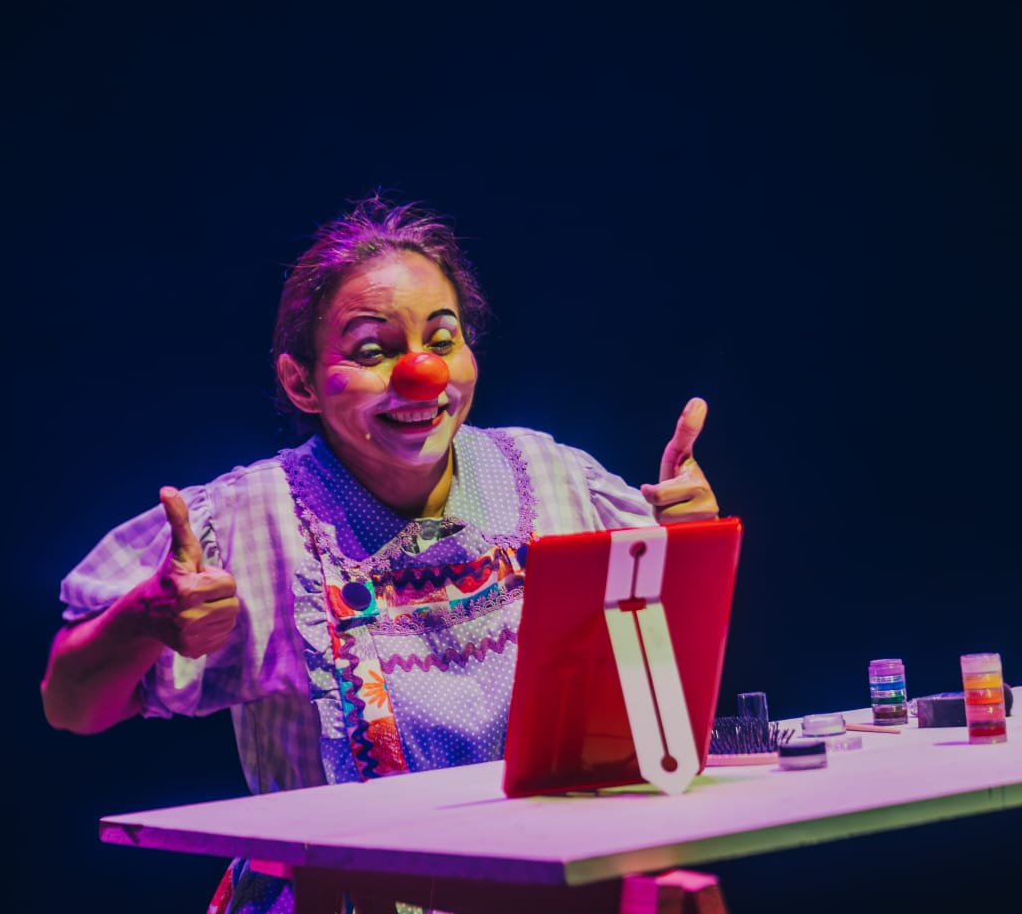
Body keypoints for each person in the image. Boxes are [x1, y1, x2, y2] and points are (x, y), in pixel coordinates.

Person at [41, 194, 720, 913]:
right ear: (301, 383)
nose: (422, 372)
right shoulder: (249, 520)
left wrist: (687, 543)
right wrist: (145, 617)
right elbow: (69, 704)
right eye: (373, 350)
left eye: (443, 339)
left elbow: (653, 696)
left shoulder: (553, 479)